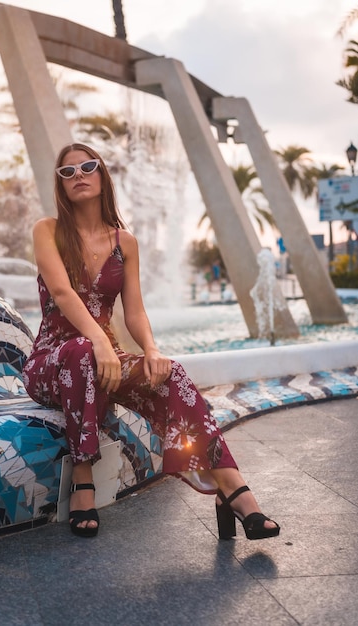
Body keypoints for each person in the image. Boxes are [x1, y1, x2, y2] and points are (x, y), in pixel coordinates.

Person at [22, 142, 280, 541]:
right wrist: (100, 342)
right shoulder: (48, 230)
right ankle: (83, 477)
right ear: (60, 184)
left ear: (103, 175)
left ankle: (233, 489)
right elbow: (61, 292)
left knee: (170, 373)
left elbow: (135, 311)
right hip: (52, 363)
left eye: (87, 167)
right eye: (67, 172)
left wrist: (152, 351)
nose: (78, 176)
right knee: (81, 351)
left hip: (103, 358)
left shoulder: (125, 243)